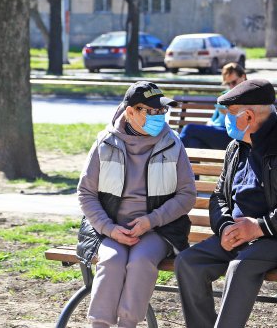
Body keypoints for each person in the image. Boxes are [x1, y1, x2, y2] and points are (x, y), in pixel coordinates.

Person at [174, 79, 277, 328]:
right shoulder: (236, 147)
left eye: (229, 114)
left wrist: (259, 227)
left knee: (241, 266)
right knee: (189, 262)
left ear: (247, 116)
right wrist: (225, 225)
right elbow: (219, 196)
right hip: (241, 235)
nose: (225, 119)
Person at [76, 81, 196, 328]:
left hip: (158, 230)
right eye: (151, 111)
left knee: (141, 261)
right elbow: (86, 193)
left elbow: (186, 195)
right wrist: (110, 229)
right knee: (112, 261)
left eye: (162, 111)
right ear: (130, 112)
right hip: (111, 228)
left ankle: (128, 325)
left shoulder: (172, 143)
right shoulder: (105, 142)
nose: (159, 116)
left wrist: (151, 221)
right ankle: (98, 325)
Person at [179, 63, 247, 150]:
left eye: (233, 82)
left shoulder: (248, 94)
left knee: (189, 128)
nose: (231, 86)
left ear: (243, 77)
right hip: (216, 132)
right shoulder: (225, 95)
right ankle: (187, 163)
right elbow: (214, 119)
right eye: (228, 83)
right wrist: (207, 128)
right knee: (193, 142)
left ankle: (173, 160)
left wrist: (231, 114)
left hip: (232, 136)